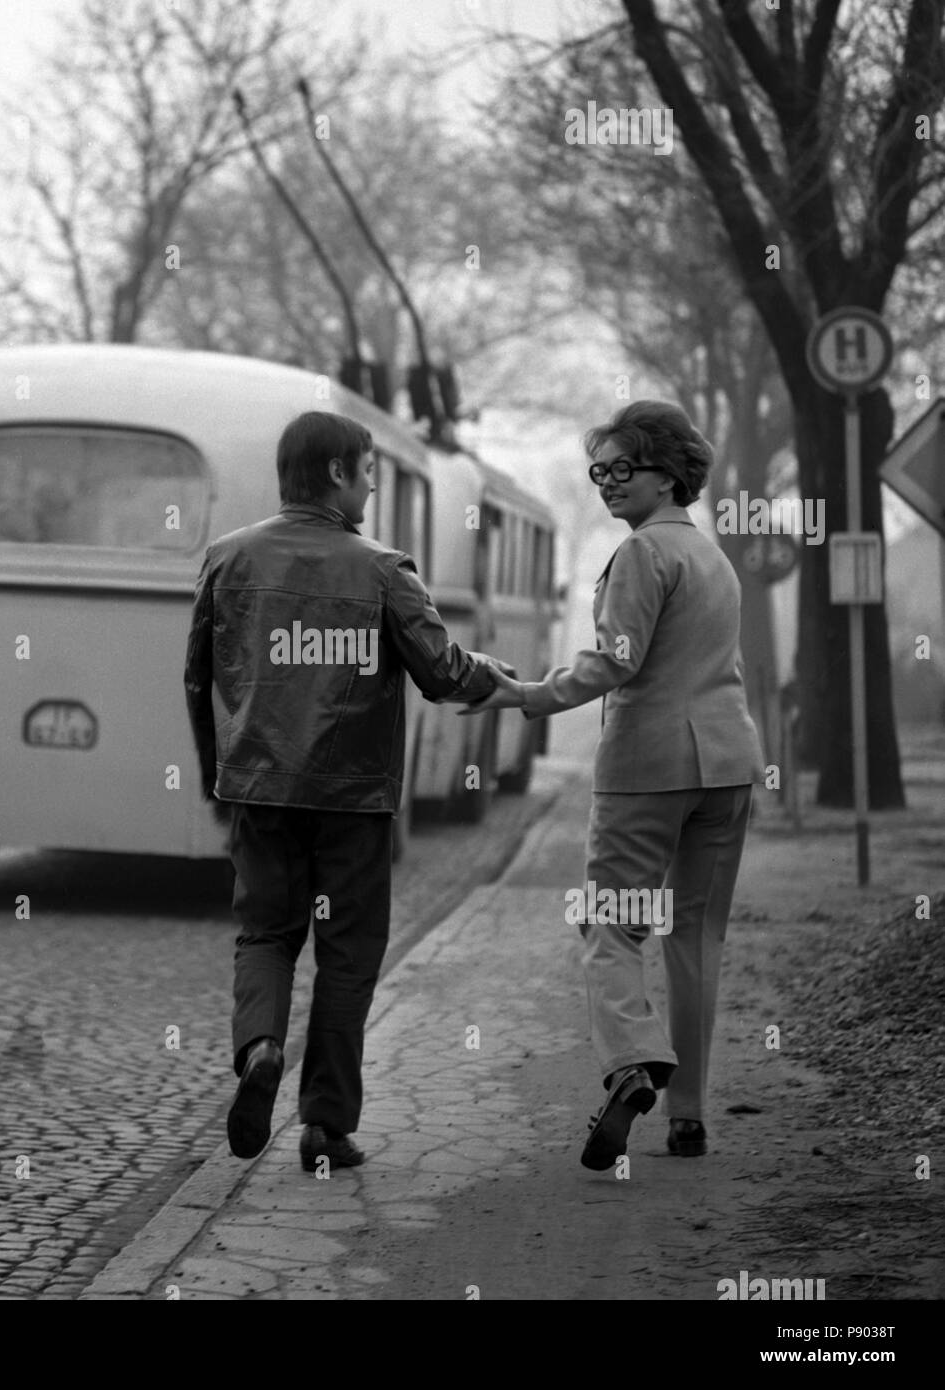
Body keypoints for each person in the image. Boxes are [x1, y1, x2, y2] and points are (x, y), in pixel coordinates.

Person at [184, 410, 504, 1171]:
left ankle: (261, 1047)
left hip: (260, 790)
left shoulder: (226, 560)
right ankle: (326, 1124)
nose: (368, 486)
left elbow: (198, 677)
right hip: (354, 802)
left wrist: (216, 775)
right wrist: (513, 686)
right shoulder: (383, 570)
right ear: (336, 473)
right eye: (365, 471)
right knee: (349, 955)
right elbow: (443, 674)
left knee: (265, 934)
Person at [464, 400, 763, 1170]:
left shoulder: (640, 555)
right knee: (695, 938)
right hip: (728, 767)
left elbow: (616, 662)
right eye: (598, 471)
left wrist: (524, 695)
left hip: (648, 771)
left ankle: (632, 1064)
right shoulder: (713, 558)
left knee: (611, 924)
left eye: (621, 468)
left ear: (667, 474)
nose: (605, 483)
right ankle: (689, 1116)